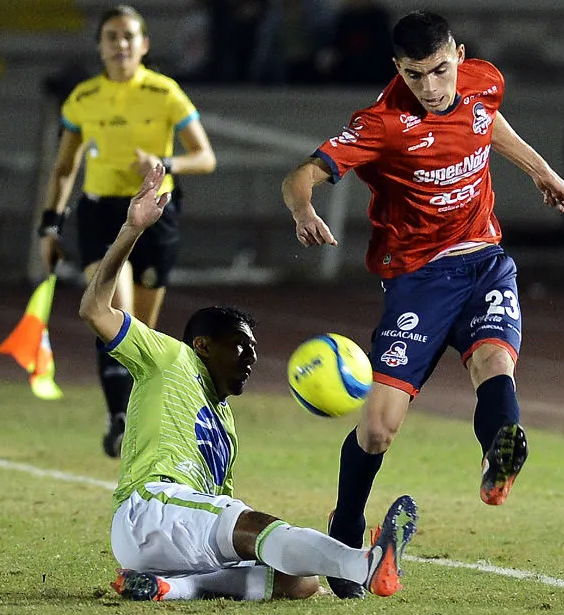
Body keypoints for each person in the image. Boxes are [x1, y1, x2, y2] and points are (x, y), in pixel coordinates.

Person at [280, 10, 564, 599]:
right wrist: (303, 209)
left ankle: (498, 460)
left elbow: (488, 123)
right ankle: (346, 526)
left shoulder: (483, 80)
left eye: (441, 70)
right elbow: (301, 175)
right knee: (377, 431)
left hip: (485, 261)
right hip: (418, 281)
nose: (431, 86)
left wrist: (542, 172)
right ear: (398, 69)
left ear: (459, 56)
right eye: (415, 75)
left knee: (494, 362)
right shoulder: (381, 123)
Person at [79, 163, 419, 602]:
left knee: (300, 582)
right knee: (256, 525)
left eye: (254, 350)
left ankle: (170, 587)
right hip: (152, 508)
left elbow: (218, 506)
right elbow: (94, 309)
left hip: (175, 534)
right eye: (240, 346)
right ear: (202, 345)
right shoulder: (170, 357)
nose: (251, 358)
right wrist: (132, 230)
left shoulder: (225, 423)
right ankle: (363, 564)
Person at [37, 5, 218, 457]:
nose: (121, 44)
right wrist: (50, 225)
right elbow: (64, 168)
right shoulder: (83, 98)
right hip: (102, 214)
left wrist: (164, 163)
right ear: (99, 46)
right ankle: (119, 420)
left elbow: (205, 157)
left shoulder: (165, 92)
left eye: (129, 36)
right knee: (113, 311)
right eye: (112, 37)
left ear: (144, 44)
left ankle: (137, 416)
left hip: (155, 212)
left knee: (140, 332)